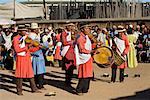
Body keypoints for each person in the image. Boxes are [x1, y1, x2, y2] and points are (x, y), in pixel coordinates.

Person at [13, 25, 41, 95]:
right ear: (19, 31)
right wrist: (26, 47)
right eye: (24, 31)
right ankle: (19, 91)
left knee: (30, 73)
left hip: (27, 57)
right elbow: (17, 50)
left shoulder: (26, 38)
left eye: (26, 30)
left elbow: (30, 49)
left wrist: (37, 47)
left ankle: (34, 89)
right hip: (20, 57)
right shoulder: (16, 39)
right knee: (20, 74)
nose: (26, 32)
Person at [75, 24, 93, 95]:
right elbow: (81, 49)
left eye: (89, 28)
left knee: (88, 74)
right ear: (82, 29)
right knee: (84, 74)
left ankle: (85, 89)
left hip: (88, 57)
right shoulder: (80, 38)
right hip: (83, 58)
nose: (88, 29)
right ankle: (79, 89)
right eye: (87, 28)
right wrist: (91, 51)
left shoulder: (86, 37)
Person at [28, 23, 46, 90]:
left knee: (36, 69)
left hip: (36, 53)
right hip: (36, 53)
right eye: (37, 29)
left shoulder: (33, 35)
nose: (38, 30)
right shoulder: (32, 36)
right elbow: (35, 45)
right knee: (39, 70)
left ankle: (37, 84)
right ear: (35, 30)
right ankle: (40, 85)